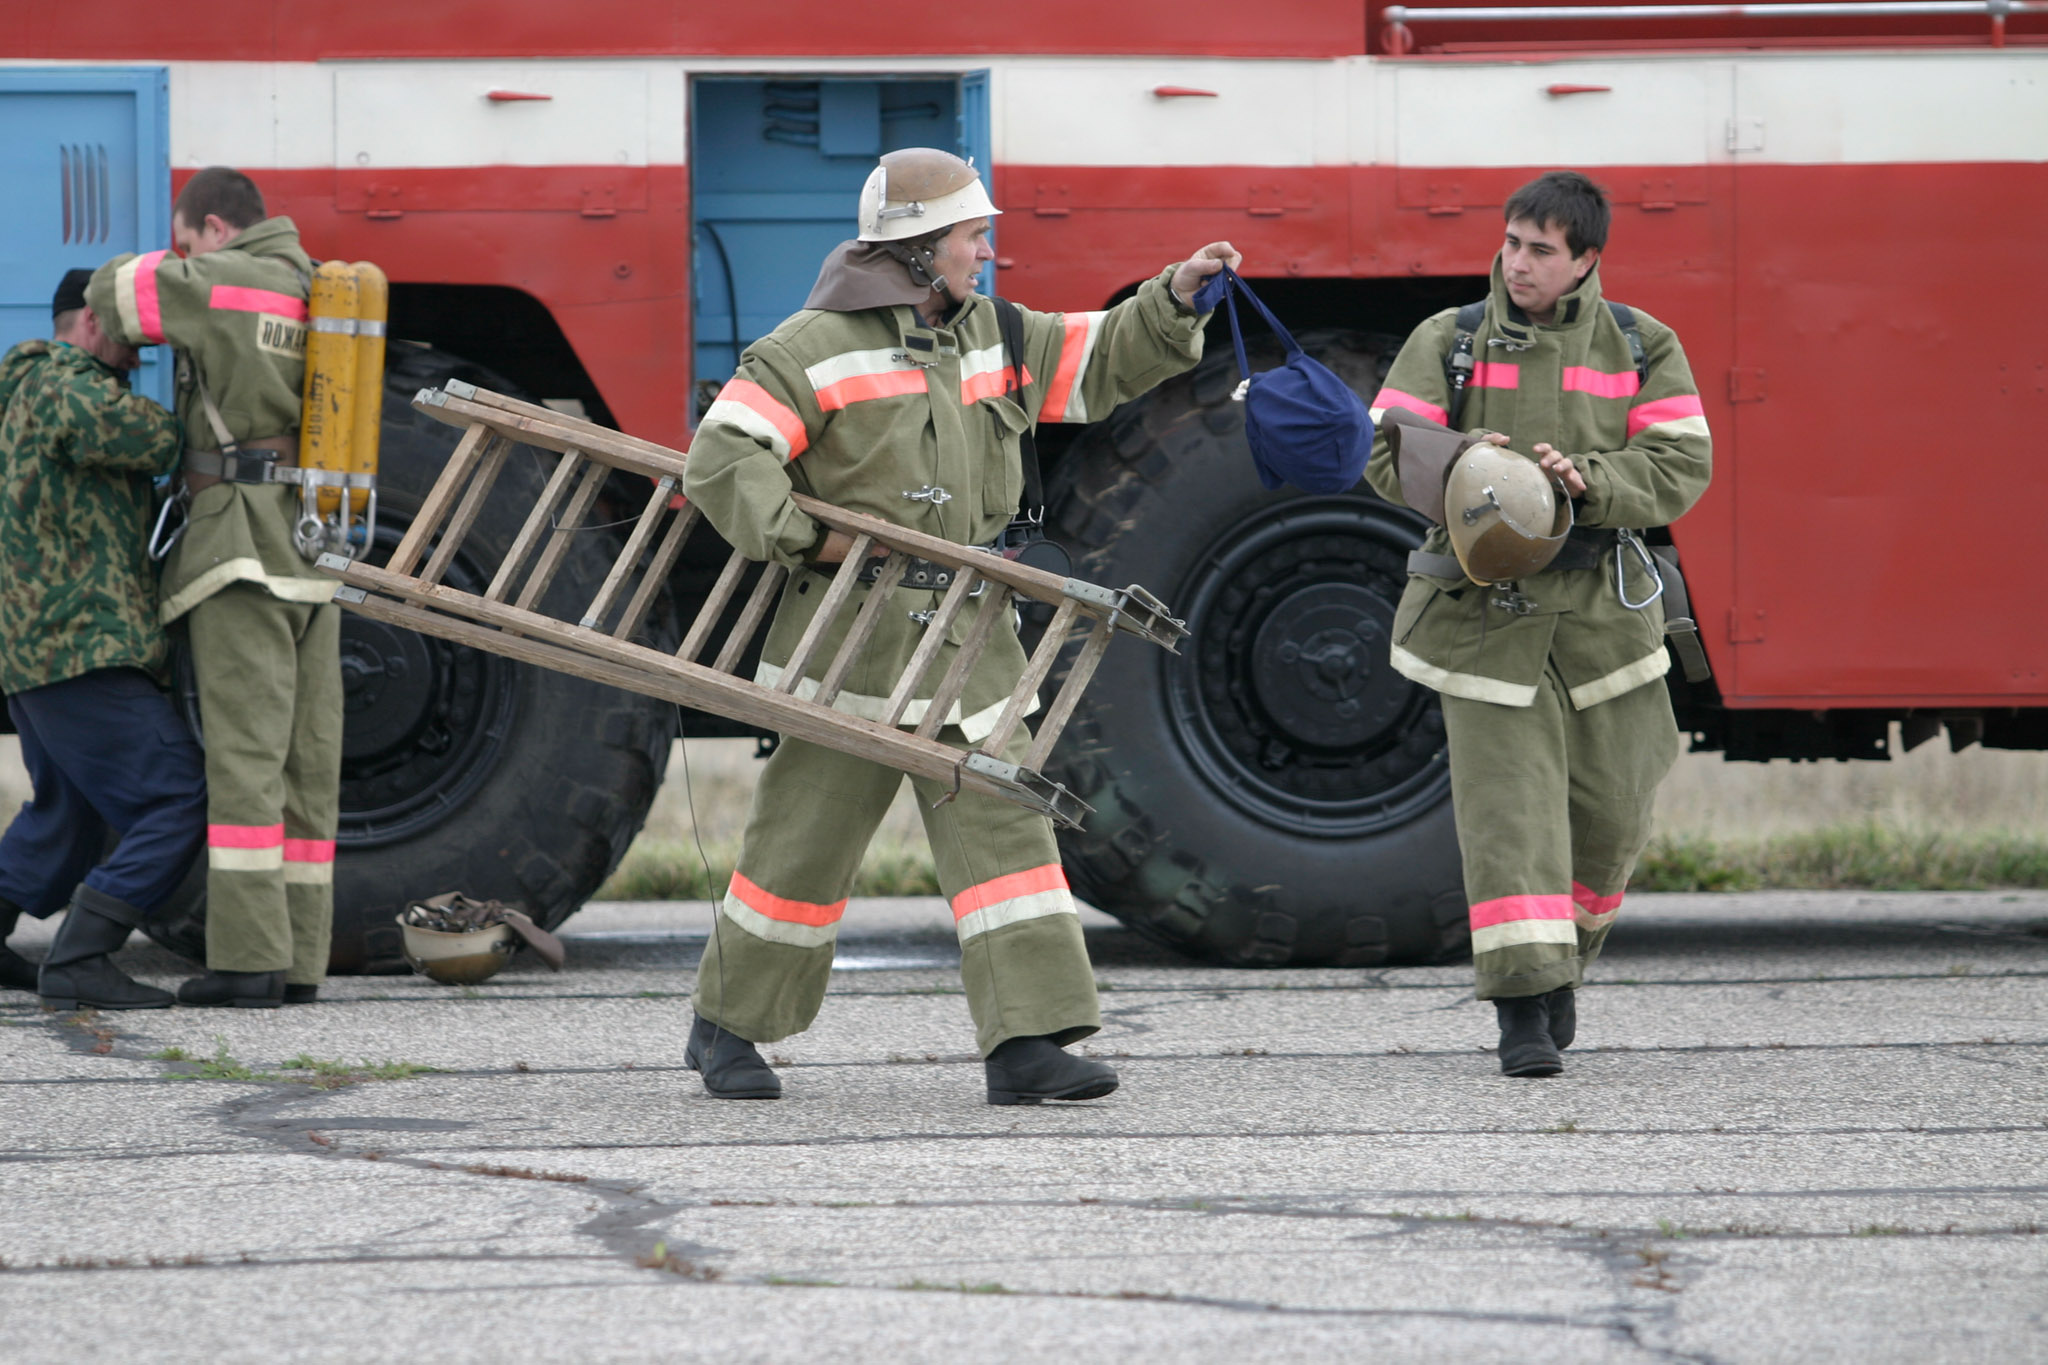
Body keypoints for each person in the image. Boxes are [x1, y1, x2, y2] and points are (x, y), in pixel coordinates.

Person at [683, 146, 1239, 1103]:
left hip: (971, 648)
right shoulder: (806, 348)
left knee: (1006, 837)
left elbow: (1100, 359)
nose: (985, 254)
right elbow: (724, 457)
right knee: (798, 848)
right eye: (973, 238)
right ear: (917, 248)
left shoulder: (1000, 336)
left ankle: (1028, 1044)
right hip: (845, 647)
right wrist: (805, 543)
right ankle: (726, 1029)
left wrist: (1177, 298)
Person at [1364, 171, 1712, 1076]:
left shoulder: (1643, 342)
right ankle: (1521, 1008)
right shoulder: (1448, 340)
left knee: (1613, 812)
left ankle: (1563, 968)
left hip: (1605, 620)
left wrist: (1592, 479)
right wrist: (1469, 468)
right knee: (1511, 821)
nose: (1518, 262)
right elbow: (1384, 455)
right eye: (1512, 242)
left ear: (1586, 259)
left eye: (1541, 250)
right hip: (1486, 618)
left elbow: (1681, 465)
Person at [86, 167, 341, 1009]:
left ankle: (246, 959)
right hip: (317, 552)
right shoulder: (317, 290)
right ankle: (301, 960)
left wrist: (175, 260)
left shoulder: (228, 280)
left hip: (239, 547)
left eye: (187, 237)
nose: (185, 252)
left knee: (245, 761)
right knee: (309, 766)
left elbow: (115, 291)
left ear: (216, 229)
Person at [0, 269, 206, 1009]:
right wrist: (191, 428)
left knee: (71, 811)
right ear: (89, 319)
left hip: (41, 650)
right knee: (176, 792)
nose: (134, 359)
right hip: (79, 642)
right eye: (130, 338)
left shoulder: (30, 391)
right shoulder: (59, 378)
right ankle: (83, 956)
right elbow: (146, 435)